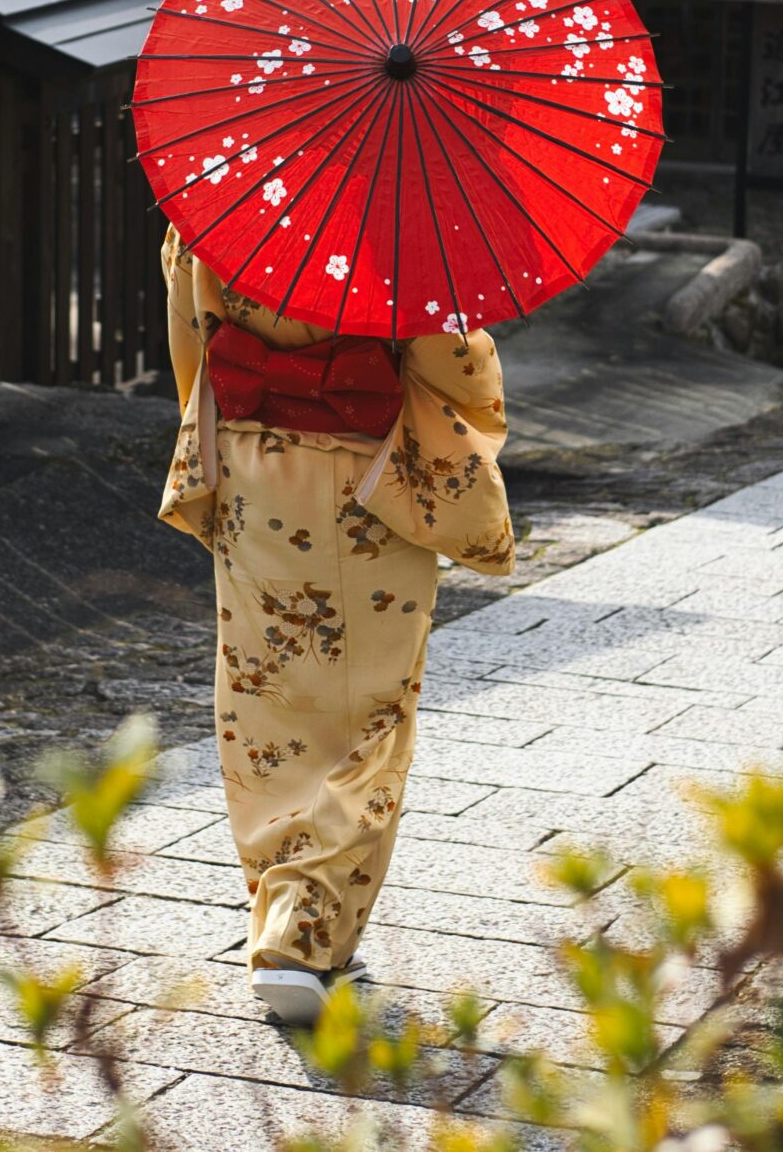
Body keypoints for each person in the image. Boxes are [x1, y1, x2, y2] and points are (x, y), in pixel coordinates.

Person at [158, 230, 513, 1025]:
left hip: (254, 474)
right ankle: (304, 935)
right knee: (371, 717)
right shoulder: (397, 209)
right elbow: (456, 363)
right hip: (367, 481)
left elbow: (193, 341)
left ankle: (283, 908)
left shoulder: (217, 199)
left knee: (266, 705)